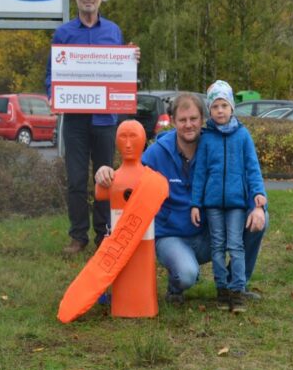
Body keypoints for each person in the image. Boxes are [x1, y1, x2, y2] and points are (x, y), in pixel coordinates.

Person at [96, 93, 267, 305]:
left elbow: (241, 175)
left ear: (203, 119)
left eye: (194, 119)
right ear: (173, 121)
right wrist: (105, 173)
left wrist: (257, 207)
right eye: (182, 120)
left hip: (209, 232)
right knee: (187, 274)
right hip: (171, 236)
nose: (189, 125)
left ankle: (236, 286)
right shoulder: (159, 152)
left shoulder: (215, 145)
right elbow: (130, 173)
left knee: (260, 219)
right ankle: (176, 285)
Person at [45, 0, 139, 254]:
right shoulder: (63, 33)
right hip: (74, 120)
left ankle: (104, 234)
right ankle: (78, 236)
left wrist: (130, 59)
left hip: (105, 120)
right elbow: (51, 75)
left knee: (106, 178)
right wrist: (53, 95)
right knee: (75, 179)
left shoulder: (113, 31)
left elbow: (120, 71)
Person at [189, 81, 266, 313]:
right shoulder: (206, 138)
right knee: (218, 247)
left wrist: (258, 193)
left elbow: (252, 168)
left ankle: (237, 290)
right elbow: (200, 173)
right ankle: (221, 289)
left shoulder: (242, 136)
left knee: (236, 245)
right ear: (209, 111)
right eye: (215, 106)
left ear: (232, 107)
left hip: (236, 204)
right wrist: (195, 203)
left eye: (224, 105)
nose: (220, 110)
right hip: (212, 205)